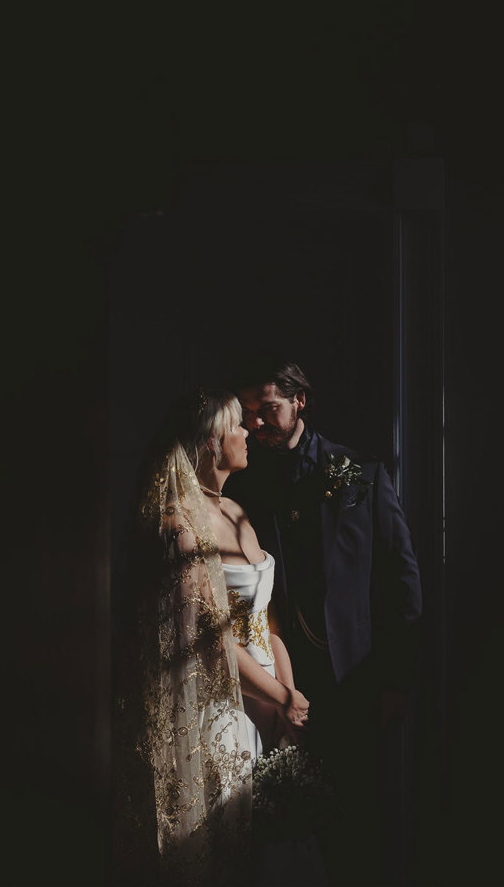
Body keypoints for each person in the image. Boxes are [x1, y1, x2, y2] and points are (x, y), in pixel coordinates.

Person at [223, 352, 423, 885]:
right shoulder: (242, 483)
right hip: (275, 679)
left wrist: (397, 680)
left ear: (299, 402)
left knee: (359, 820)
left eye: (268, 409)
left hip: (354, 679)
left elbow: (401, 581)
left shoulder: (356, 471)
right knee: (282, 827)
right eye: (249, 413)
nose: (257, 423)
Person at [113, 387, 313, 887]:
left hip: (275, 701)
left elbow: (268, 625)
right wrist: (279, 696)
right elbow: (209, 644)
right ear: (210, 442)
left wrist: (293, 704)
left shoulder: (238, 513)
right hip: (225, 706)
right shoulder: (179, 526)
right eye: (237, 426)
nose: (249, 432)